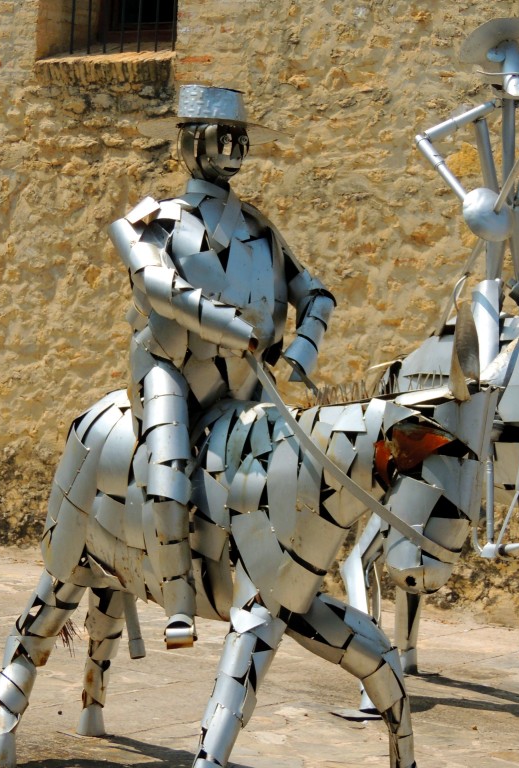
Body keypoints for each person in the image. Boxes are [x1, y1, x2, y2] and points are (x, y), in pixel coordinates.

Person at [107, 85, 336, 649]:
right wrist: (235, 328)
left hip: (244, 378)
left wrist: (302, 350)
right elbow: (158, 286)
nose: (230, 148)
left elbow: (317, 294)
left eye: (238, 138)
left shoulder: (261, 230)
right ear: (191, 143)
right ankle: (178, 598)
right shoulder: (152, 222)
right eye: (219, 137)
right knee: (168, 466)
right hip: (171, 366)